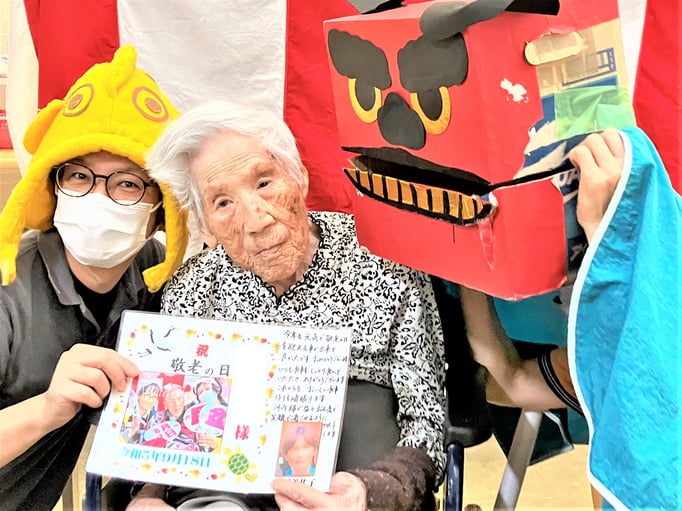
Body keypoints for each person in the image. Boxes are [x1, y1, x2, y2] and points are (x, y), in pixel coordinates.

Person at [126, 99, 445, 511]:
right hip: (228, 491)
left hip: (360, 485)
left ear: (300, 178)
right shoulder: (192, 290)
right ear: (204, 226)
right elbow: (162, 432)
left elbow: (426, 423)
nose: (257, 220)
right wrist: (148, 495)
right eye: (223, 203)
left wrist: (371, 492)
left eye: (264, 183)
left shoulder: (384, 263)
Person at [0, 45, 189, 510]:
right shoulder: (8, 286)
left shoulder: (154, 277)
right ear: (53, 184)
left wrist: (150, 492)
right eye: (79, 177)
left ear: (160, 209)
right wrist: (48, 408)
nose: (98, 198)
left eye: (127, 183)